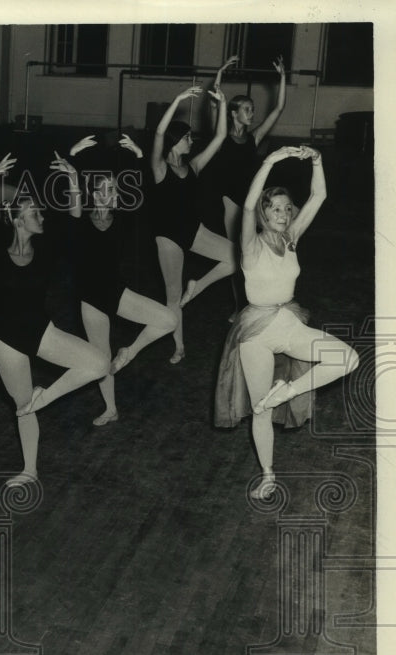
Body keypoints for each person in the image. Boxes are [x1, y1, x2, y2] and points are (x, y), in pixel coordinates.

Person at [213, 146, 359, 499]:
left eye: (285, 207)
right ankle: (267, 475)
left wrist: (318, 161)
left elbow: (319, 194)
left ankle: (287, 392)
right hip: (255, 334)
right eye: (274, 208)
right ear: (264, 214)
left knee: (348, 358)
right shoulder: (251, 246)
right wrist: (270, 161)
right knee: (260, 410)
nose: (281, 213)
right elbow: (246, 206)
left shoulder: (291, 238)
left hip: (287, 319)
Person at [0, 153, 110, 487]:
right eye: (35, 213)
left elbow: (75, 217)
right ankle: (29, 470)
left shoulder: (45, 247)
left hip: (41, 331)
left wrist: (73, 180)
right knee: (23, 408)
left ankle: (43, 397)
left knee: (99, 363)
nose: (42, 215)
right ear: (18, 220)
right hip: (6, 343)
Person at [68, 134, 178, 425]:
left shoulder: (123, 220)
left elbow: (146, 192)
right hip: (90, 300)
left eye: (115, 191)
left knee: (169, 320)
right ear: (96, 194)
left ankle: (128, 352)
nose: (114, 194)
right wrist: (73, 156)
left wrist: (141, 157)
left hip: (117, 293)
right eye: (108, 190)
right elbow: (69, 186)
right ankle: (110, 409)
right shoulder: (79, 219)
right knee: (102, 361)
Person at [150, 85, 237, 363]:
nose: (191, 141)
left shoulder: (194, 166)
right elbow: (159, 134)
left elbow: (221, 136)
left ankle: (197, 285)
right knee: (172, 297)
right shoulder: (160, 168)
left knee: (238, 256)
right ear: (175, 141)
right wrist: (176, 100)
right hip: (168, 238)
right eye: (187, 137)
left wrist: (222, 105)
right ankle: (179, 346)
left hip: (194, 231)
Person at [206, 54, 288, 243]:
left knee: (274, 235)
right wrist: (220, 71)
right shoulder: (221, 137)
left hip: (252, 200)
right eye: (247, 109)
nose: (252, 113)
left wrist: (283, 77)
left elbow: (279, 108)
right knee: (236, 248)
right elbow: (214, 103)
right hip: (230, 203)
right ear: (234, 113)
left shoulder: (254, 138)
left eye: (252, 109)